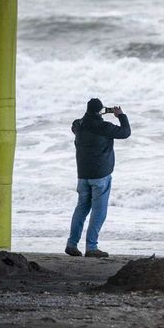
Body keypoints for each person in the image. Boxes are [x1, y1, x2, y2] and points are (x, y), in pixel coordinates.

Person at [65, 98, 131, 258]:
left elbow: (75, 124)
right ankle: (91, 247)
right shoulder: (104, 127)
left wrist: (93, 114)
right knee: (99, 211)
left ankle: (71, 244)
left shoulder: (78, 125)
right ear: (100, 111)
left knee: (81, 208)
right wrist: (121, 115)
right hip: (100, 175)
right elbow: (126, 132)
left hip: (82, 174)